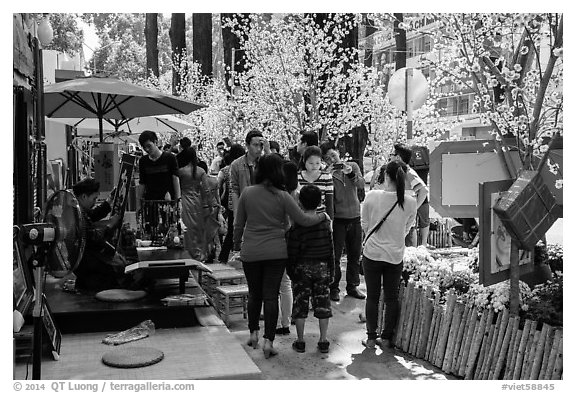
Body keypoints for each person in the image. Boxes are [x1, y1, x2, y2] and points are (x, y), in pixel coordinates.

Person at [233, 153, 330, 359]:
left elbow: (239, 224)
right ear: (278, 172)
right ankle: (269, 341)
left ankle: (253, 334)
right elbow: (303, 219)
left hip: (251, 251)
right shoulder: (283, 196)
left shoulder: (247, 193)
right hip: (276, 252)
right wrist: (322, 216)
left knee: (254, 294)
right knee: (270, 296)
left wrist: (236, 245)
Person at [360, 160, 417, 349]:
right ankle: (385, 338)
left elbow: (365, 224)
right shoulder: (410, 202)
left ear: (386, 176)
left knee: (372, 297)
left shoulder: (372, 196)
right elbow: (407, 229)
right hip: (395, 255)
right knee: (391, 297)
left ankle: (370, 338)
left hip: (372, 254)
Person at [287, 185, 335, 353]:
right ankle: (323, 340)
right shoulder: (326, 221)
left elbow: (292, 250)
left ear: (299, 202)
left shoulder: (297, 224)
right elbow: (331, 248)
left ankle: (300, 341)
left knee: (300, 305)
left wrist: (291, 270)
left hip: (302, 268)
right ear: (320, 202)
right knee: (323, 304)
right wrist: (332, 270)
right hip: (322, 267)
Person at [320, 141, 366, 301]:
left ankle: (352, 286)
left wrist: (350, 173)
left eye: (333, 155)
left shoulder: (352, 166)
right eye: (327, 158)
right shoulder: (327, 173)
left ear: (338, 153)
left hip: (355, 217)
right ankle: (334, 287)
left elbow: (360, 184)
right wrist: (327, 173)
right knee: (335, 256)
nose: (332, 160)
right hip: (338, 219)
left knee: (355, 254)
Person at [372, 143, 429, 247]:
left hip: (405, 223)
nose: (390, 157)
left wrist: (414, 209)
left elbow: (424, 190)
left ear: (398, 157)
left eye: (391, 154)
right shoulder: (390, 172)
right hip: (393, 221)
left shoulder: (407, 171)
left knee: (406, 252)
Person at [72, 178, 122, 292]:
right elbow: (94, 238)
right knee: (113, 271)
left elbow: (92, 215)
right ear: (84, 196)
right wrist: (110, 226)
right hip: (86, 264)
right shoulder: (76, 216)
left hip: (84, 261)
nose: (95, 202)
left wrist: (109, 201)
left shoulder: (78, 209)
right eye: (94, 198)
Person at [177, 143, 215, 261]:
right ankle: (198, 254)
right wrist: (210, 205)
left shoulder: (181, 171)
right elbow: (207, 190)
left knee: (186, 229)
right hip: (197, 203)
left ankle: (187, 253)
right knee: (198, 229)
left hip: (184, 201)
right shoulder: (201, 171)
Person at [217, 144, 246, 263]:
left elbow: (217, 186)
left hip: (231, 205)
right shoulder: (245, 167)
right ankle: (236, 254)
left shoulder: (225, 170)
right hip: (245, 203)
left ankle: (224, 257)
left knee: (231, 231)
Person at [230, 129, 269, 213]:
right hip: (246, 209)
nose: (259, 149)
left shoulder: (265, 162)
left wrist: (267, 151)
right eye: (255, 145)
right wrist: (236, 214)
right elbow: (234, 191)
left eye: (261, 145)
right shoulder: (236, 165)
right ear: (247, 145)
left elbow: (276, 174)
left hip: (264, 209)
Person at [137, 130, 181, 204]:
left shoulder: (170, 158)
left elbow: (175, 178)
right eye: (144, 147)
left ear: (156, 142)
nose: (147, 149)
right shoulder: (143, 161)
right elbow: (142, 183)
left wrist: (178, 200)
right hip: (150, 202)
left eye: (149, 146)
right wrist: (138, 203)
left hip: (168, 201)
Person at [297, 146, 334, 219]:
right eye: (311, 163)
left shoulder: (326, 177)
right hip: (301, 218)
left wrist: (330, 221)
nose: (314, 166)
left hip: (320, 218)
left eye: (317, 163)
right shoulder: (297, 177)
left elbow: (329, 203)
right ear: (304, 161)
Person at [198, 160, 221, 263]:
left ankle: (205, 254)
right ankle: (211, 252)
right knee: (211, 233)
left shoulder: (198, 183)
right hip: (214, 207)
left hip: (203, 208)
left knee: (204, 233)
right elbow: (217, 196)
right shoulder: (214, 180)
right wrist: (219, 208)